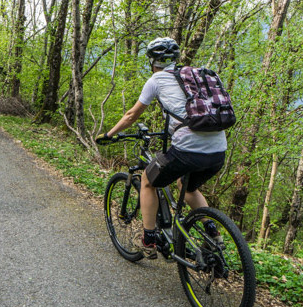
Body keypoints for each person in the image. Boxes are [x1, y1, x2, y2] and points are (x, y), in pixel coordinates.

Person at [96, 37, 226, 259]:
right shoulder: (196, 77)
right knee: (189, 189)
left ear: (152, 61)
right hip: (218, 149)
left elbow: (131, 115)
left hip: (188, 150)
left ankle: (149, 239)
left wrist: (109, 134)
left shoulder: (156, 80)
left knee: (147, 180)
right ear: (175, 59)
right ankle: (213, 233)